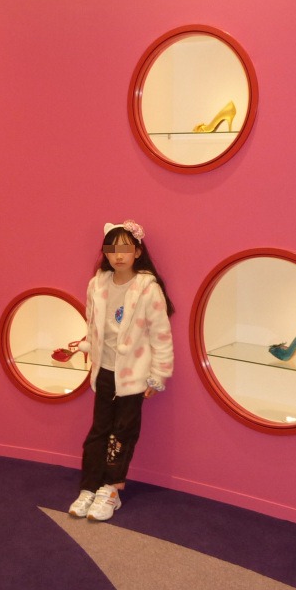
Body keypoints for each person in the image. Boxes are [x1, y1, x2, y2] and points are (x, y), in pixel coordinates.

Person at [69, 219, 174, 522]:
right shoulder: (97, 284)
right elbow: (93, 325)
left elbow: (161, 335)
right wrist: (85, 346)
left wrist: (158, 374)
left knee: (122, 434)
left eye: (125, 249)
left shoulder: (147, 289)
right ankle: (89, 487)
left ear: (137, 252)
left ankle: (111, 490)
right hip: (104, 370)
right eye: (112, 249)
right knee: (98, 431)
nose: (118, 255)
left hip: (133, 375)